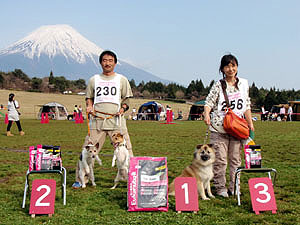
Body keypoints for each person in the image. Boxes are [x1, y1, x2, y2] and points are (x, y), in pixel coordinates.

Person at [204, 54, 254, 197]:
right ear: (222, 69)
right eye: (227, 66)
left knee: (235, 160)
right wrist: (207, 114)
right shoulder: (218, 85)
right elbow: (209, 102)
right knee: (220, 160)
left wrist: (250, 123)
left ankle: (235, 186)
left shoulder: (244, 84)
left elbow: (247, 105)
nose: (230, 69)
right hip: (219, 128)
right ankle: (220, 187)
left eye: (233, 65)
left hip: (238, 128)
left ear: (237, 67)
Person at [86, 50, 133, 156]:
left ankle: (129, 172)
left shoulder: (122, 79)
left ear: (115, 63)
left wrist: (123, 109)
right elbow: (89, 98)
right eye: (105, 60)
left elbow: (126, 99)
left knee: (126, 152)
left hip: (117, 122)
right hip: (97, 122)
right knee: (87, 153)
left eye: (110, 61)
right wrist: (89, 106)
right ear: (100, 63)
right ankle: (83, 173)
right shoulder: (93, 80)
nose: (107, 63)